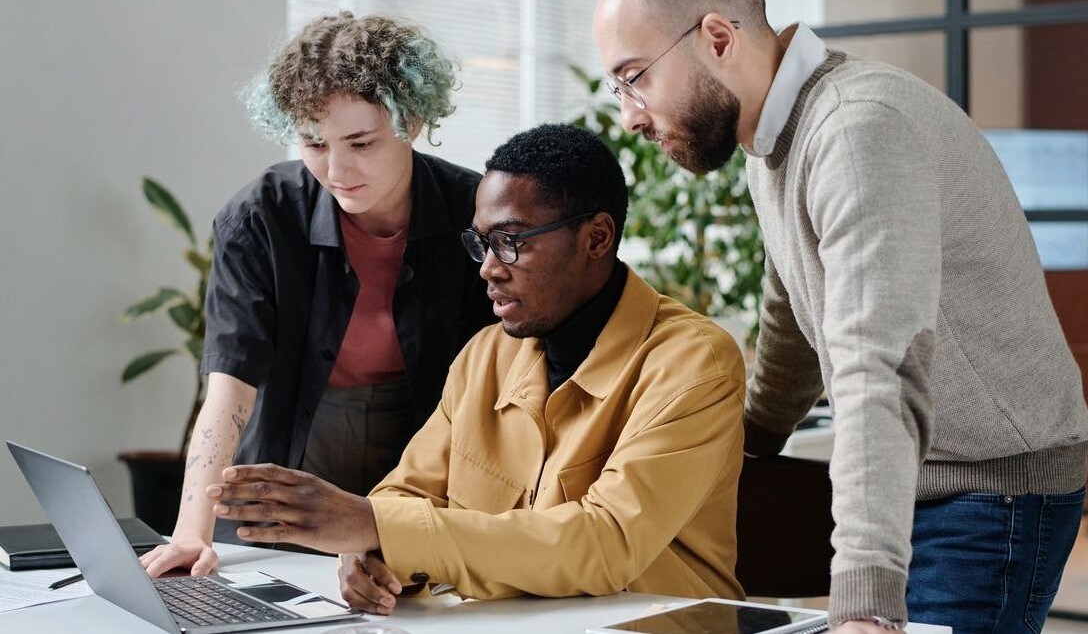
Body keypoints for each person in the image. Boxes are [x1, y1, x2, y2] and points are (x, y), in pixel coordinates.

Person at [592, 0, 1088, 632]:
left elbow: (877, 367)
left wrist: (862, 600)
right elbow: (792, 308)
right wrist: (749, 441)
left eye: (634, 78)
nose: (628, 116)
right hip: (927, 469)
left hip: (987, 488)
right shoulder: (775, 136)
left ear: (717, 39)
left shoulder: (856, 133)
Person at [203, 123, 747, 612]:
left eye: (511, 242)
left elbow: (606, 543)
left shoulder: (695, 364)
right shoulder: (485, 355)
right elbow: (406, 493)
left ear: (596, 238)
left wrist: (373, 526)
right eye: (481, 243)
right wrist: (367, 552)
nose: (488, 269)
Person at [140, 12, 495, 578]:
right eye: (313, 142)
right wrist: (189, 533)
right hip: (287, 461)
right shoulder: (260, 215)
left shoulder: (474, 211)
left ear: (414, 121)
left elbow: (508, 380)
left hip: (423, 461)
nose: (337, 169)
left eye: (361, 142)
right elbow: (230, 388)